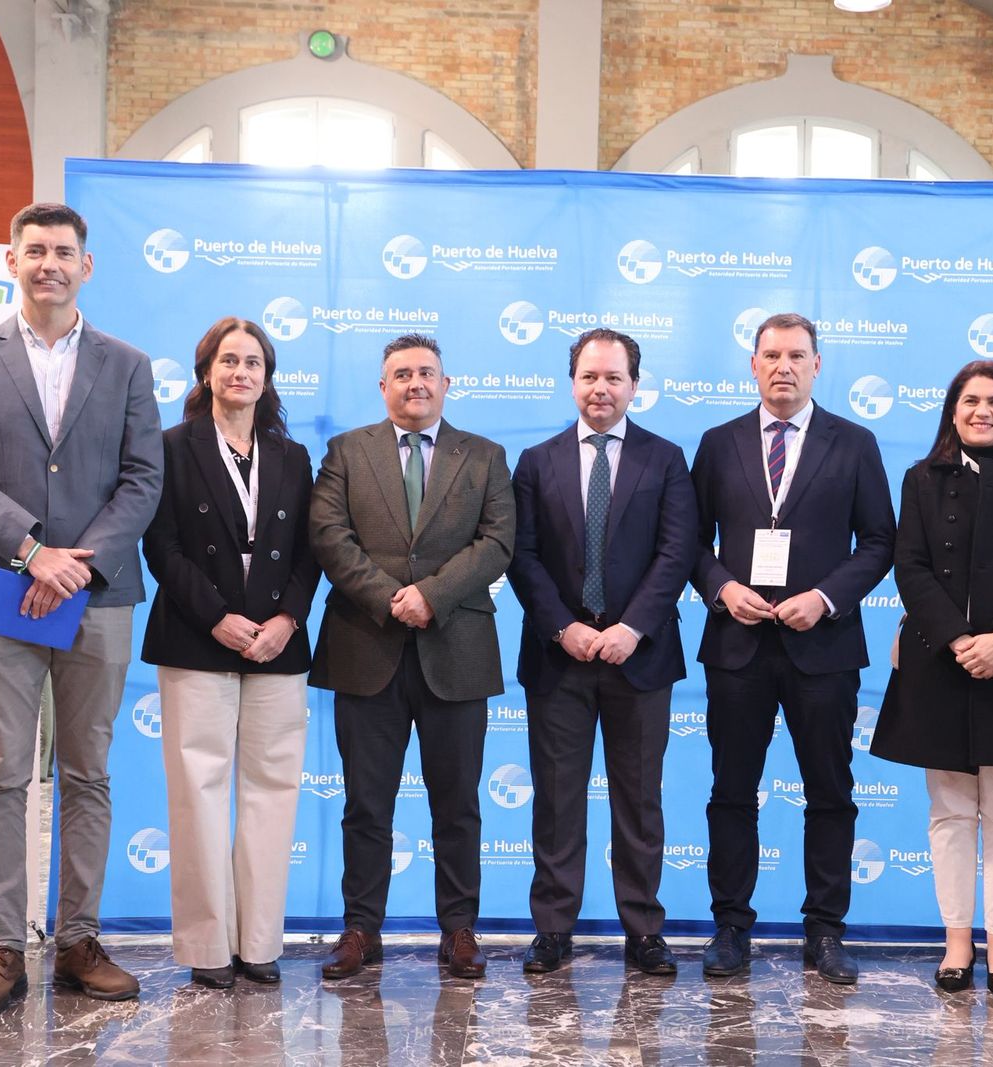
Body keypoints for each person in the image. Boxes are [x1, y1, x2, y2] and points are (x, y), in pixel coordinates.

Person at [0, 202, 162, 1017]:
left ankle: (77, 942)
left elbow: (143, 479)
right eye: (35, 250)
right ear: (12, 259)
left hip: (95, 598)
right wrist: (35, 554)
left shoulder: (128, 364)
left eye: (64, 251)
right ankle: (1, 948)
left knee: (88, 773)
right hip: (2, 590)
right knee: (2, 775)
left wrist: (74, 565)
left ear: (86, 266)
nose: (50, 263)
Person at [689, 312, 896, 984]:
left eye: (796, 355)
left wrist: (828, 597)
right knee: (731, 792)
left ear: (817, 364)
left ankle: (826, 931)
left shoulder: (855, 441)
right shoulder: (718, 444)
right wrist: (721, 587)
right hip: (739, 642)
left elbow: (880, 541)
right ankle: (729, 927)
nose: (783, 366)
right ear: (753, 365)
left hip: (824, 645)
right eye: (771, 354)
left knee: (830, 792)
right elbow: (687, 542)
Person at [308, 333, 514, 980]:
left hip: (457, 648)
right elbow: (328, 534)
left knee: (458, 803)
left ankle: (459, 929)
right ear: (382, 387)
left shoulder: (484, 456)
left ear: (446, 383)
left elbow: (498, 540)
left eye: (427, 372)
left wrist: (431, 595)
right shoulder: (346, 451)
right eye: (401, 373)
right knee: (365, 803)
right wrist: (390, 597)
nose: (415, 382)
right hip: (366, 646)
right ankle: (359, 928)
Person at [869, 360, 993, 998]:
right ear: (951, 411)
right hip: (941, 662)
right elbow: (910, 565)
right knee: (951, 813)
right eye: (969, 401)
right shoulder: (920, 479)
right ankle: (958, 941)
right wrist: (959, 640)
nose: (981, 411)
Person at [507, 328, 697, 976]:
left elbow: (677, 553)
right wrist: (564, 627)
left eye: (614, 377)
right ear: (572, 382)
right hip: (560, 657)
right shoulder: (535, 460)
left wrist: (632, 628)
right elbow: (522, 557)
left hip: (638, 659)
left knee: (639, 800)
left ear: (634, 386)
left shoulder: (666, 458)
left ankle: (643, 929)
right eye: (589, 376)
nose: (601, 388)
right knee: (557, 800)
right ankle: (553, 929)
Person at [140, 316, 319, 990]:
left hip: (277, 640)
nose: (240, 371)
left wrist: (288, 618)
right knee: (198, 792)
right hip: (196, 635)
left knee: (273, 790)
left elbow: (312, 552)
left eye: (253, 362)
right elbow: (161, 546)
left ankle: (260, 941)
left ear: (267, 378)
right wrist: (216, 617)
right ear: (205, 371)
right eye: (228, 360)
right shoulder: (170, 447)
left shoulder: (294, 457)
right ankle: (208, 946)